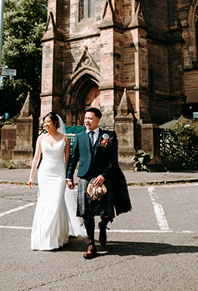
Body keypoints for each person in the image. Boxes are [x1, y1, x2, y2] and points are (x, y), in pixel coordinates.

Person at [66, 107, 127, 259]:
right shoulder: (80, 137)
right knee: (86, 212)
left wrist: (104, 175)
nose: (87, 120)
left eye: (90, 118)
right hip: (85, 177)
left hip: (103, 177)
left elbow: (113, 160)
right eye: (85, 118)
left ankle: (104, 225)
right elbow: (74, 158)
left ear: (98, 120)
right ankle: (91, 244)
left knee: (106, 211)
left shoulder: (109, 136)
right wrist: (69, 176)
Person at [28, 112, 85, 250]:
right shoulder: (41, 138)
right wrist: (31, 176)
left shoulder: (65, 139)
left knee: (56, 204)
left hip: (59, 173)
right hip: (45, 173)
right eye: (44, 122)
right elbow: (36, 158)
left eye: (48, 122)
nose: (45, 124)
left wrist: (68, 177)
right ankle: (46, 238)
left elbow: (67, 160)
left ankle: (57, 236)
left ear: (55, 123)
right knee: (44, 204)